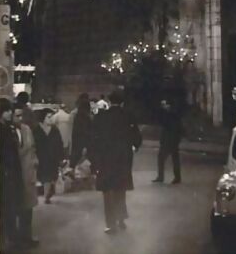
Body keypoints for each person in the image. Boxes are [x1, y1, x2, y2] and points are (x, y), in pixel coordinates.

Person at [92, 88, 142, 233]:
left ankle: (110, 224)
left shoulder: (101, 117)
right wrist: (134, 147)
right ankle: (121, 219)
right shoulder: (128, 116)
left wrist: (95, 160)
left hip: (106, 159)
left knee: (107, 192)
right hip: (123, 159)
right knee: (121, 189)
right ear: (122, 102)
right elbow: (137, 137)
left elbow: (95, 139)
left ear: (110, 101)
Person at [12, 103, 39, 248]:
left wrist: (35, 162)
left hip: (28, 172)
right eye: (17, 115)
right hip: (14, 175)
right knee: (15, 208)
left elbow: (33, 147)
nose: (20, 118)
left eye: (21, 115)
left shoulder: (27, 129)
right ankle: (15, 240)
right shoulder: (6, 132)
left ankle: (27, 236)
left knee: (28, 208)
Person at [0, 98, 23, 252]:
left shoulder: (7, 128)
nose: (10, 113)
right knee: (6, 208)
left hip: (9, 173)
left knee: (8, 208)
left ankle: (9, 240)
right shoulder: (3, 129)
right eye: (7, 110)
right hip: (5, 174)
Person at [33, 108, 64, 204]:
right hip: (41, 157)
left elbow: (60, 143)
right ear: (43, 118)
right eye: (49, 117)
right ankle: (46, 195)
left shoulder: (55, 130)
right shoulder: (36, 129)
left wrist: (61, 157)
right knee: (45, 177)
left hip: (53, 157)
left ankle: (48, 194)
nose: (51, 119)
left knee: (51, 177)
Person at [152, 97, 183, 184]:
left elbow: (165, 126)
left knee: (161, 158)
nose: (163, 106)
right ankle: (177, 177)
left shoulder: (168, 115)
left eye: (164, 105)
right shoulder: (173, 114)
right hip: (173, 140)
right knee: (174, 158)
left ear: (167, 105)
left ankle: (161, 176)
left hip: (168, 140)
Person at [70, 93, 92, 169]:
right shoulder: (87, 118)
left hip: (76, 144)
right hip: (84, 145)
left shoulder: (76, 116)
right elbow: (87, 133)